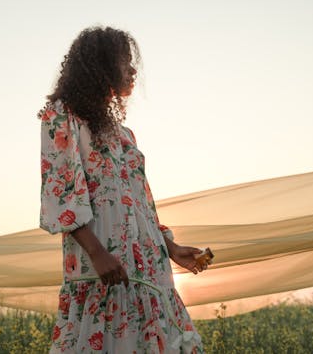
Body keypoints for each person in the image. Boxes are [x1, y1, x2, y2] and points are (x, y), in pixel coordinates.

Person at [38, 26, 206, 353]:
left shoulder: (125, 136)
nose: (132, 70)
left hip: (149, 272)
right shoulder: (62, 116)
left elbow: (142, 205)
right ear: (100, 66)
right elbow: (62, 194)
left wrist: (171, 248)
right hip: (103, 269)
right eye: (124, 62)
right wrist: (98, 253)